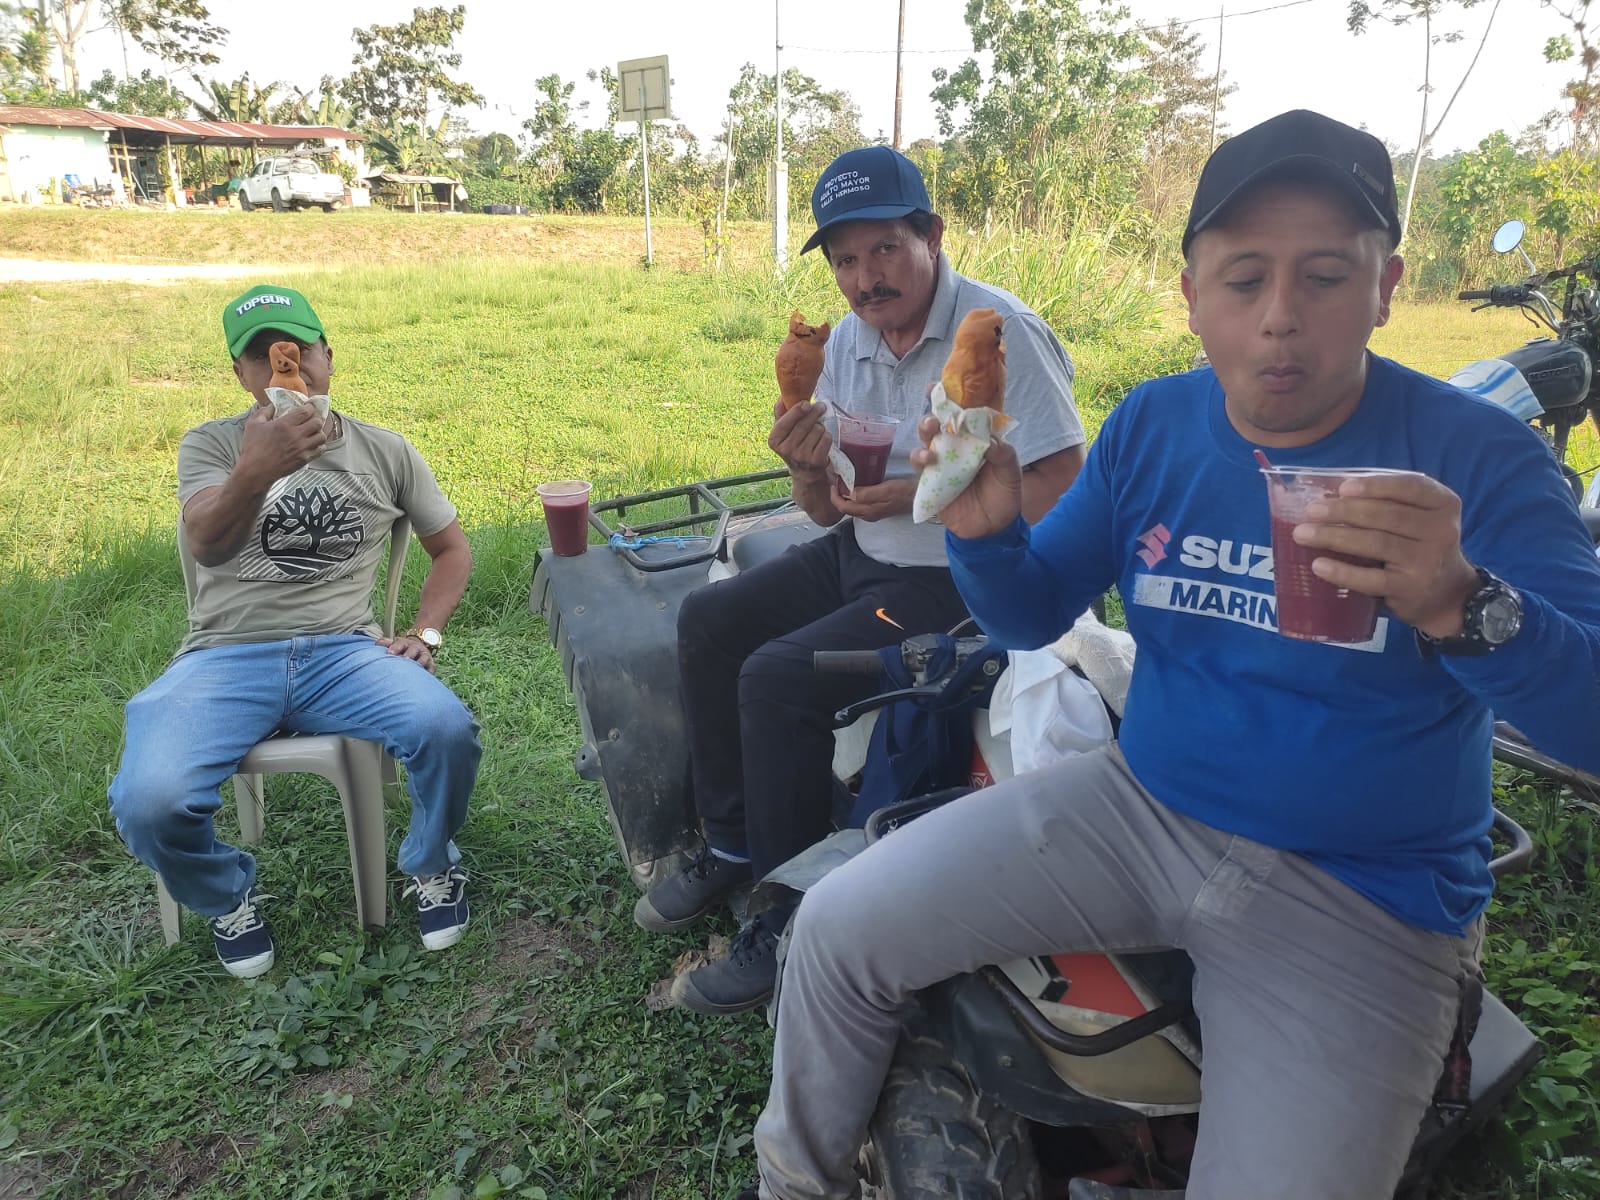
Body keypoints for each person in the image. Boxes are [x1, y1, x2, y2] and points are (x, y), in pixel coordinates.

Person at [742, 111, 1600, 1199]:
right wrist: (985, 538)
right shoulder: (1154, 426)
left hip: (1367, 891)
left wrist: (1463, 604)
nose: (1280, 317)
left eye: (1325, 276)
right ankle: (793, 1182)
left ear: (1385, 289)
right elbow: (1028, 614)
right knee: (836, 927)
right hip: (1140, 808)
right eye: (1243, 279)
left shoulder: (1478, 460)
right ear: (1192, 297)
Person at [637, 146, 1087, 1016]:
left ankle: (791, 918)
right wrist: (807, 468)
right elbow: (823, 512)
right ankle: (730, 845)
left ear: (932, 236)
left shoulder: (997, 332)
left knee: (778, 677)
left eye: (884, 249)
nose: (864, 279)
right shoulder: (845, 341)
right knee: (709, 620)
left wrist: (925, 501)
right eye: (844, 260)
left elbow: (1064, 487)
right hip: (862, 551)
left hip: (953, 582)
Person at [109, 284, 482, 979]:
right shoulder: (212, 445)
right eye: (263, 356)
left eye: (299, 349)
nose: (287, 366)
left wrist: (425, 633)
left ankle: (432, 863)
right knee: (149, 800)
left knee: (445, 729)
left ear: (328, 357)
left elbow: (452, 549)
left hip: (345, 651)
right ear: (242, 375)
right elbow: (209, 545)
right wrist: (257, 468)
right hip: (224, 655)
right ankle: (226, 894)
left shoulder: (385, 450)